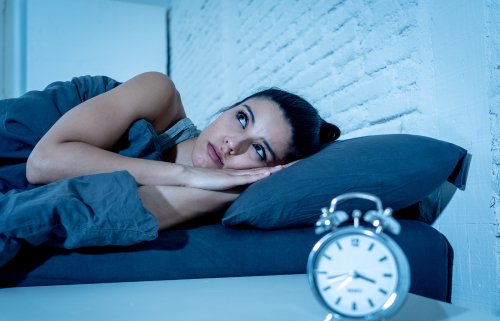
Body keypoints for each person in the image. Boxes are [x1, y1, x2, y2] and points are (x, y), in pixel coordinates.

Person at [0, 72, 340, 267]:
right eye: (241, 118)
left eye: (259, 150)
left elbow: (97, 209)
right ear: (228, 108)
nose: (233, 145)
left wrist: (230, 187)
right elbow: (43, 164)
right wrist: (187, 174)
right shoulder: (159, 96)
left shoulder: (206, 202)